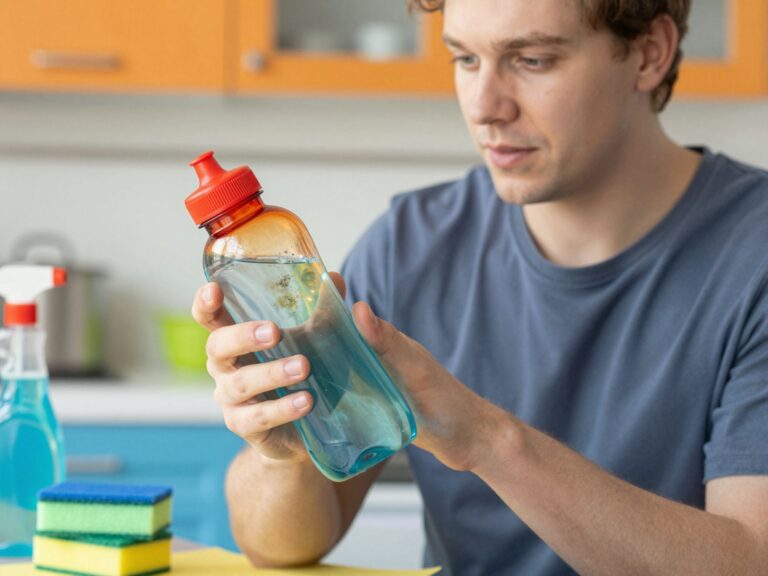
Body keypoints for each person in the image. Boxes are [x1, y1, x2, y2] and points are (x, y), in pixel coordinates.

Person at [192, 0, 768, 573]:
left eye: (533, 60)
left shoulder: (753, 255)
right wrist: (284, 451)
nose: (484, 106)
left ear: (649, 54)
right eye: (466, 59)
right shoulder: (407, 248)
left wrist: (486, 440)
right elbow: (281, 548)